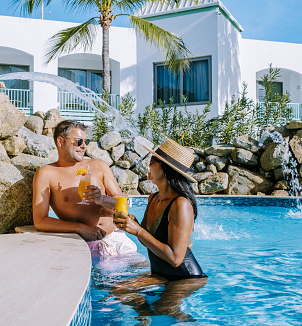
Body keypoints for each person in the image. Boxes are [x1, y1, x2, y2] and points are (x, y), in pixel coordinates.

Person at [32, 120, 136, 256]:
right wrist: (80, 228)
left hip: (116, 239)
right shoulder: (46, 174)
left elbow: (123, 206)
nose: (83, 146)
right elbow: (40, 221)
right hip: (85, 246)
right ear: (60, 141)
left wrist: (101, 199)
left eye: (86, 142)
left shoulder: (99, 166)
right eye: (78, 141)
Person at [113, 138, 206, 280]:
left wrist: (138, 230)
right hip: (160, 275)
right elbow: (149, 242)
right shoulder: (153, 198)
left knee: (121, 294)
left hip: (185, 279)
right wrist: (134, 226)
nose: (148, 164)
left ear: (166, 169)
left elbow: (175, 259)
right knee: (115, 293)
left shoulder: (181, 204)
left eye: (152, 161)